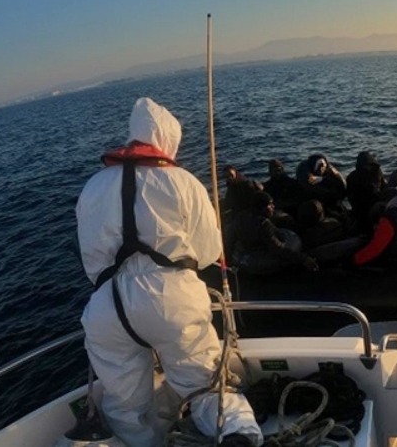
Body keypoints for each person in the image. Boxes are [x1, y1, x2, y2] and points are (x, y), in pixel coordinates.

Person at [77, 98, 262, 446]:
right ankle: (238, 436)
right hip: (170, 301)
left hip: (107, 309)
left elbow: (91, 262)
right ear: (168, 139)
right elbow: (208, 252)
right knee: (206, 386)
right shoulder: (183, 182)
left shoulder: (92, 187)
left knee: (125, 407)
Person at [233, 191, 318, 275]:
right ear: (262, 207)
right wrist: (304, 259)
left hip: (247, 249)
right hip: (260, 254)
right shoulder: (263, 225)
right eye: (270, 205)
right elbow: (277, 248)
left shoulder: (241, 216)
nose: (273, 206)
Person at [346, 151, 387, 234]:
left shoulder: (377, 173)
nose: (367, 167)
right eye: (365, 165)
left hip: (377, 202)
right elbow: (351, 195)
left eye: (369, 165)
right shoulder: (353, 177)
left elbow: (384, 187)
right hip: (361, 206)